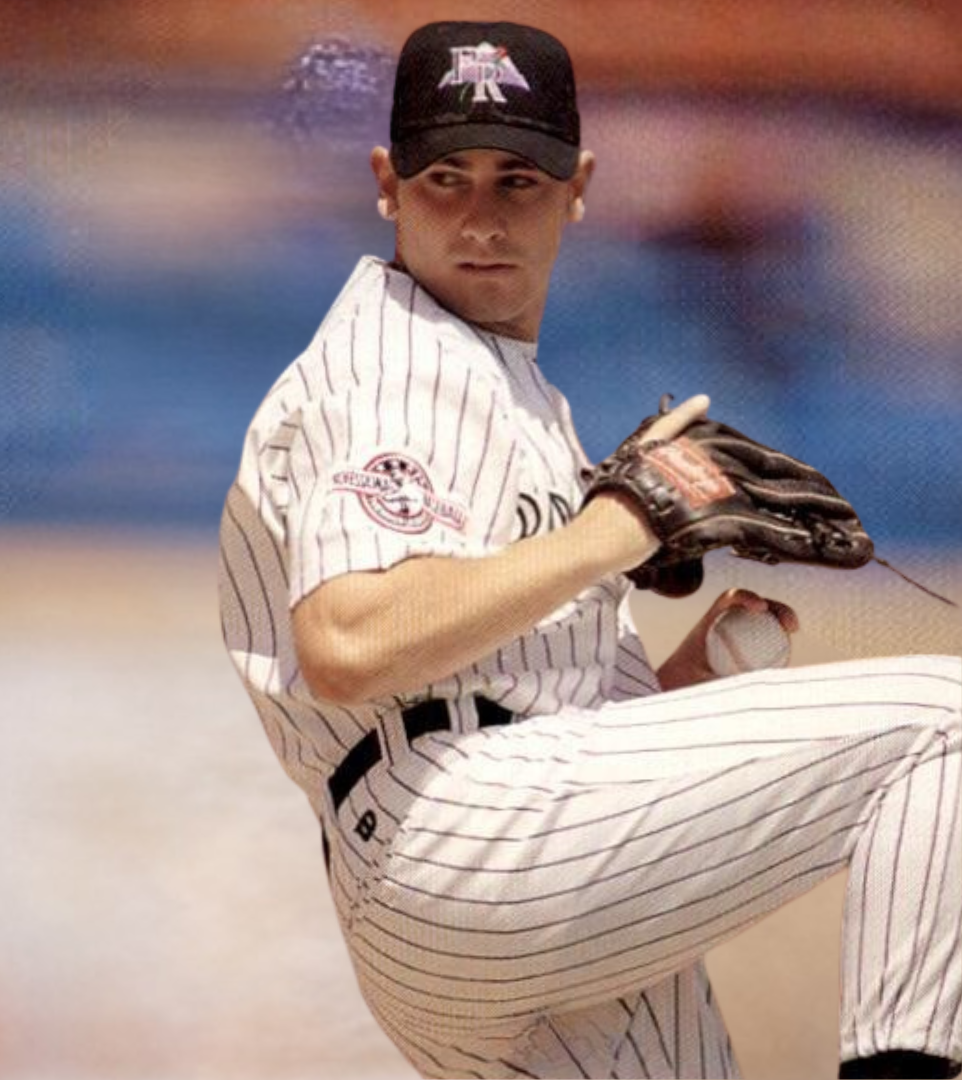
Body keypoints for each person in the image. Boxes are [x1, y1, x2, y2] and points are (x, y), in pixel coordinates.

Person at [219, 20, 961, 1079]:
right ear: (387, 183)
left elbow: (522, 698)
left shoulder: (510, 393)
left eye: (517, 179)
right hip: (459, 833)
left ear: (578, 187)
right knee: (948, 724)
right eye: (445, 177)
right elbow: (346, 640)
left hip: (472, 883)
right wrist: (615, 531)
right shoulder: (392, 363)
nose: (480, 216)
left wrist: (691, 674)